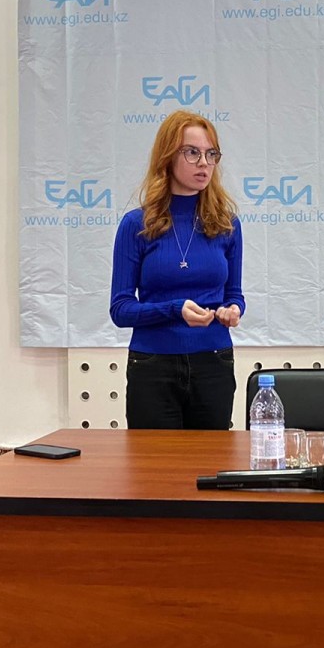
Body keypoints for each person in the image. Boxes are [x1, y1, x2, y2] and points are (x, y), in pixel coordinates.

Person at [110, 110, 245, 429]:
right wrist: (174, 309)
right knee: (153, 460)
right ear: (168, 156)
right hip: (152, 365)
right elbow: (121, 309)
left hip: (213, 361)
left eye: (211, 154)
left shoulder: (227, 224)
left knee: (212, 457)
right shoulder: (136, 224)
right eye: (192, 152)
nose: (204, 163)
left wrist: (233, 311)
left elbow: (234, 295)